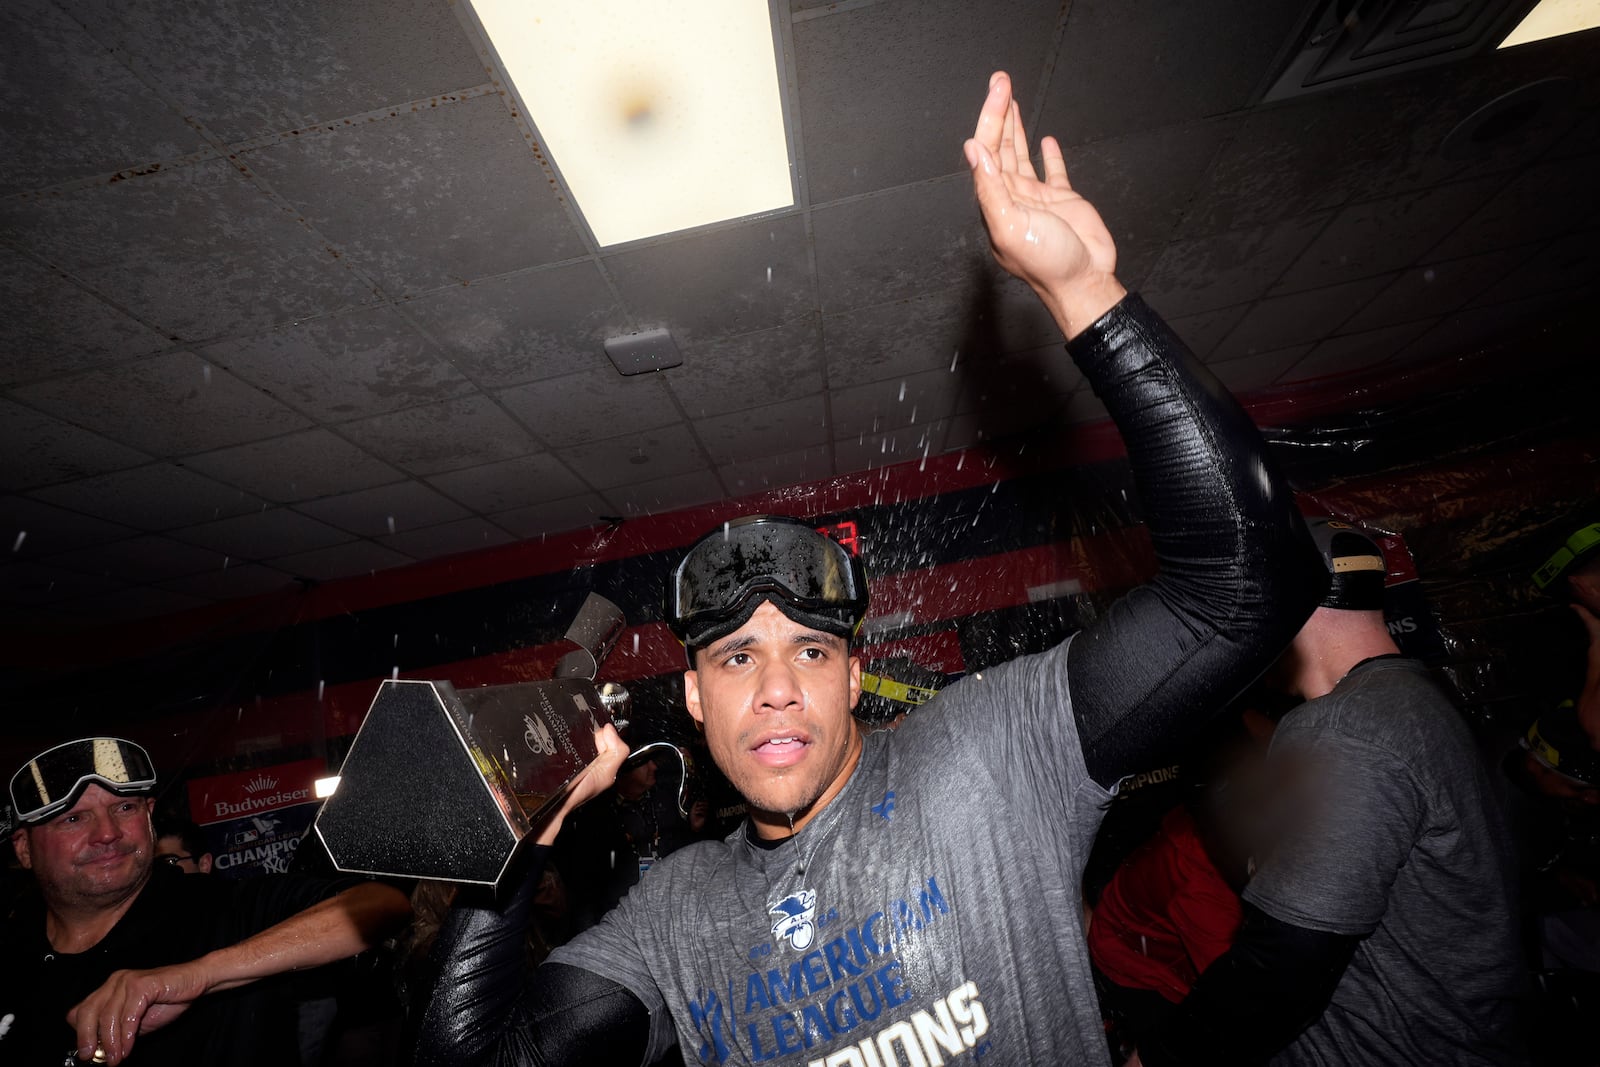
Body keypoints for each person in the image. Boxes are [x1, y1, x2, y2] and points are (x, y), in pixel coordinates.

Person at [410, 70, 1326, 1066]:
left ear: (853, 674)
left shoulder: (989, 757)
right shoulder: (673, 914)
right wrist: (517, 832)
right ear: (692, 699)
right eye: (734, 659)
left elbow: (1249, 584)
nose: (772, 689)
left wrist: (1082, 292)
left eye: (807, 649)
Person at [1135, 519, 1528, 1066]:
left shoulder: (1346, 728)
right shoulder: (1418, 699)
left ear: (1282, 603)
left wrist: (1161, 1057)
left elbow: (1284, 962)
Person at [0, 736, 415, 1066]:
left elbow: (380, 906)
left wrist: (199, 975)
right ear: (24, 849)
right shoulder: (12, 946)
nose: (107, 833)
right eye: (74, 819)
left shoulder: (218, 906)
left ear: (149, 815)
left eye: (124, 807)